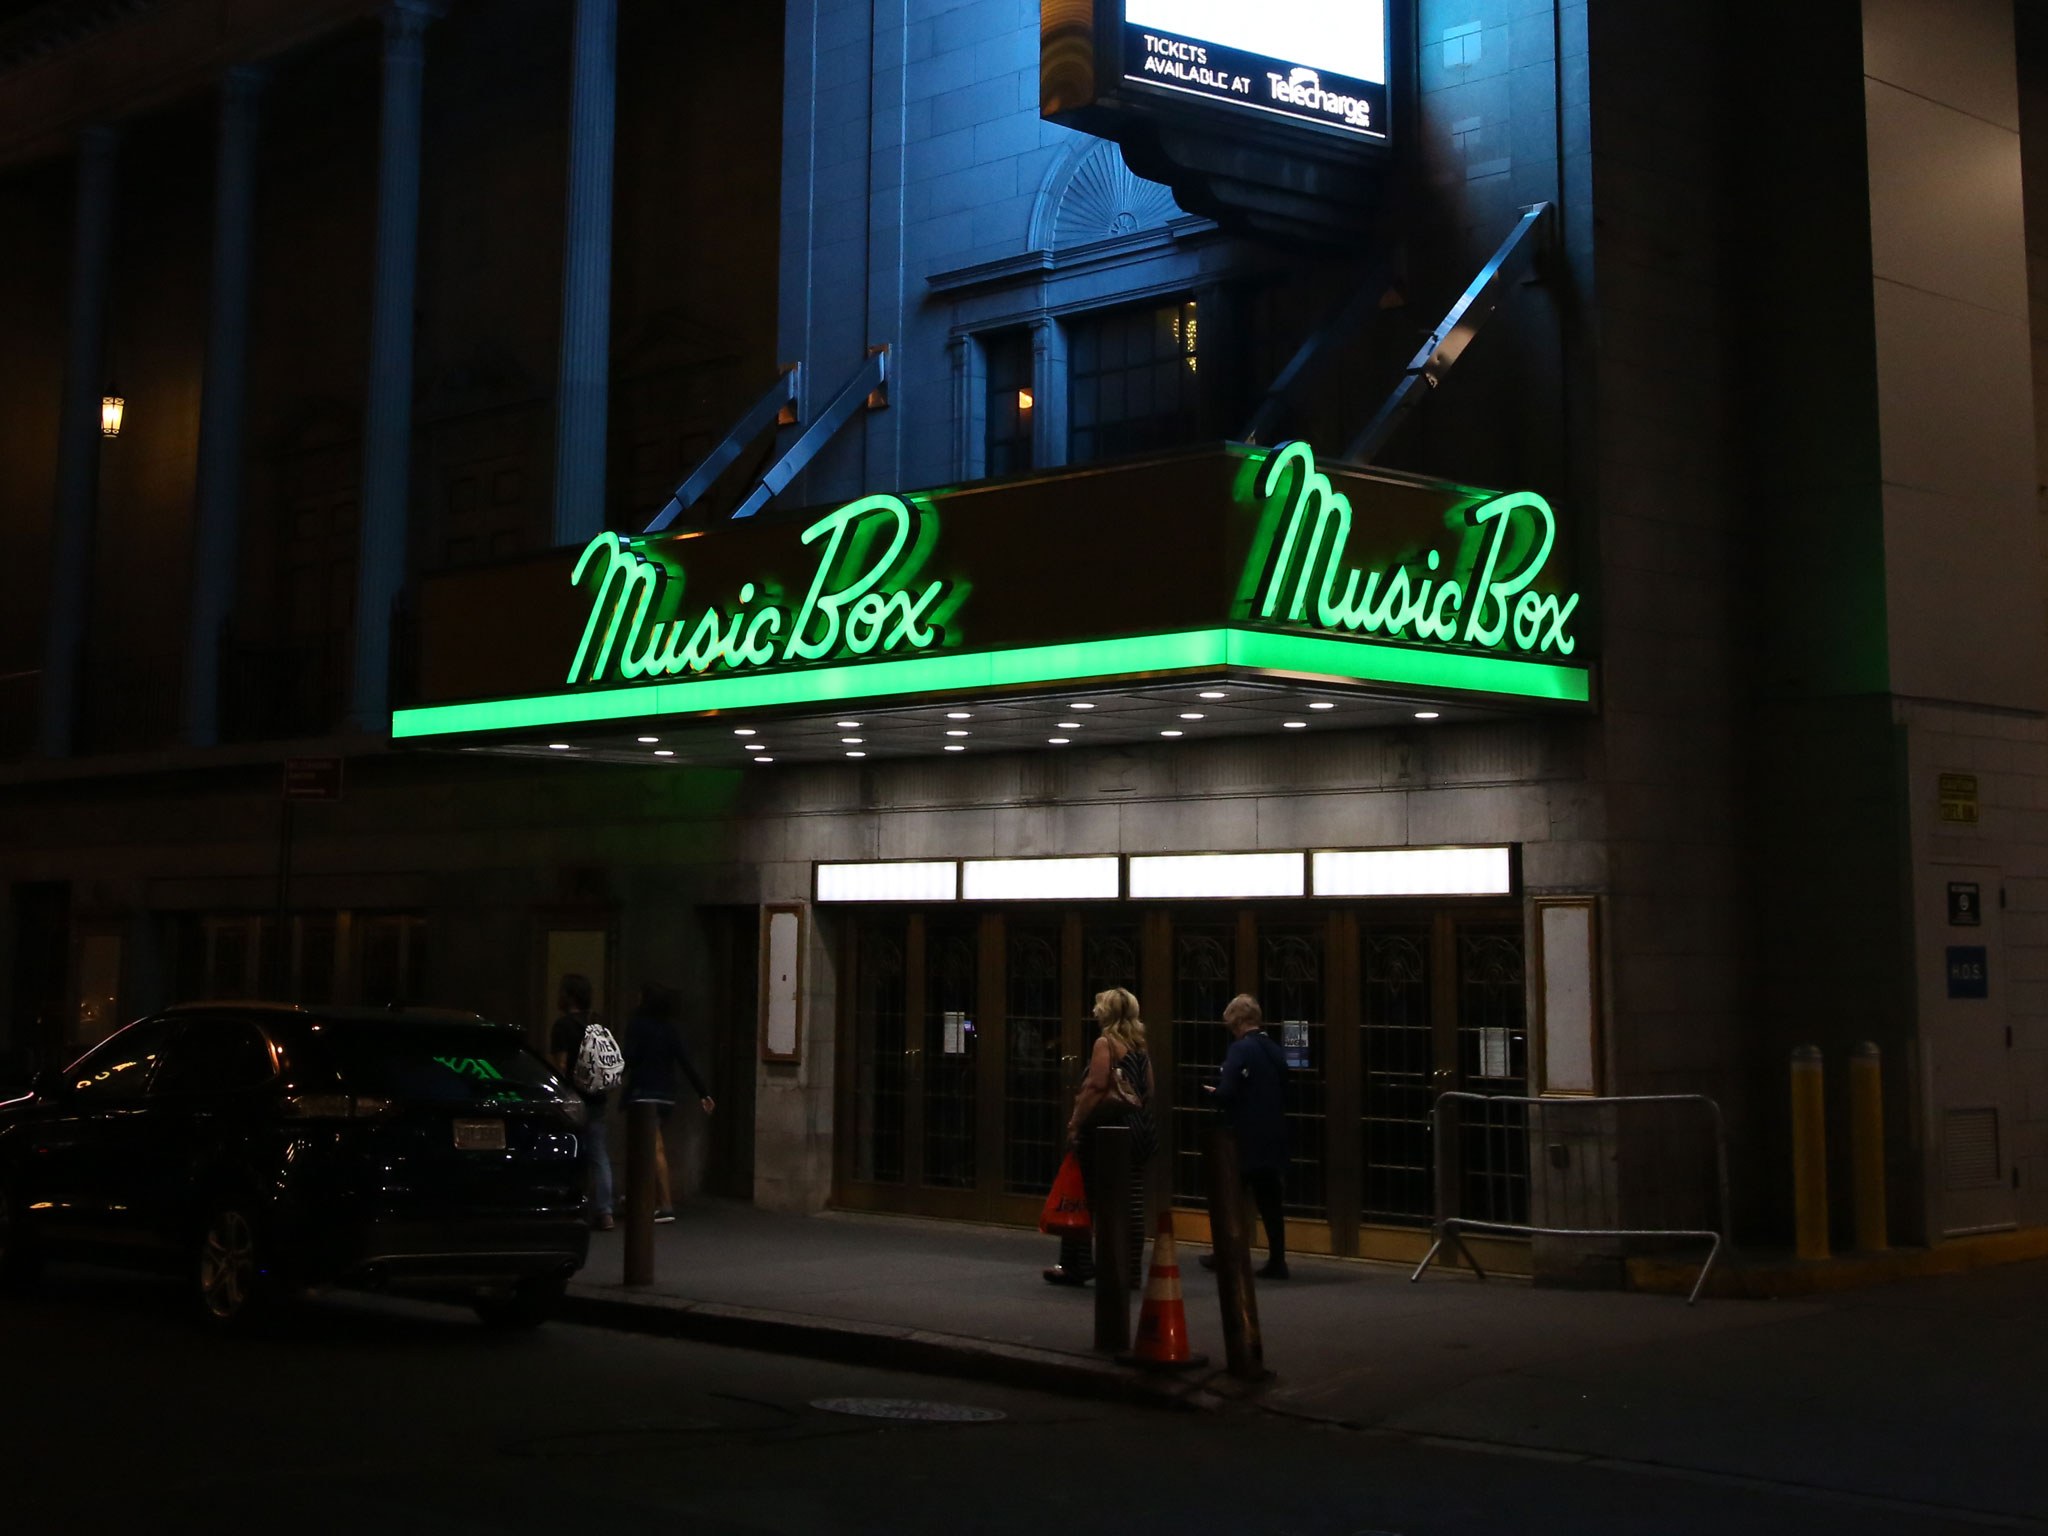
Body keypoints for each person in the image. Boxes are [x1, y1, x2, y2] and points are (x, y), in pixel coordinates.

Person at [1044, 987, 1155, 1287]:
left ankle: (1077, 1264)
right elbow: (1149, 1091)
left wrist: (1075, 1123)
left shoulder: (1106, 1043)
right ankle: (1130, 1270)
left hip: (1107, 1132)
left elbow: (1095, 1086)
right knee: (1131, 1200)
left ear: (1106, 1012)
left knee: (1083, 1194)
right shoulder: (1139, 1047)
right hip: (1138, 1129)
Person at [1204, 992, 1290, 1279]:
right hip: (1273, 1132)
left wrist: (1215, 1094)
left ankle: (1226, 1253)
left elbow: (1229, 1091)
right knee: (1270, 1200)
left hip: (1243, 1135)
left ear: (1238, 1021)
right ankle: (1278, 1259)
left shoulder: (1240, 1050)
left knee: (1231, 1197)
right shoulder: (1275, 1049)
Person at [621, 982, 714, 1222]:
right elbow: (685, 1061)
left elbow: (629, 1058)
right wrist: (703, 1093)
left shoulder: (637, 1025)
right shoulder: (670, 1029)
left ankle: (665, 1205)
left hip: (644, 1093)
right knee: (651, 1147)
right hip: (666, 1094)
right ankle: (646, 1199)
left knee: (653, 1148)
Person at [548, 973, 614, 1231]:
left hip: (572, 1098)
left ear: (568, 996)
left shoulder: (562, 1026)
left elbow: (561, 1064)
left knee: (570, 1150)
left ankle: (569, 1204)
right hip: (597, 1096)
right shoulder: (597, 1023)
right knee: (599, 1154)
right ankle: (605, 1210)